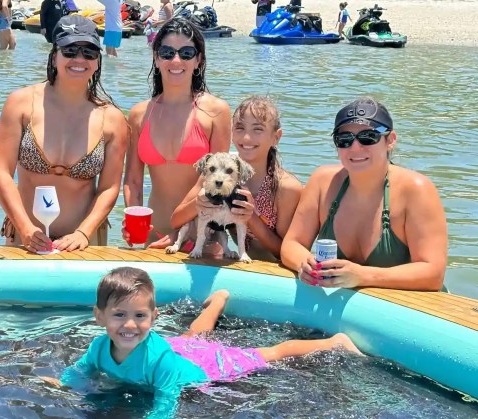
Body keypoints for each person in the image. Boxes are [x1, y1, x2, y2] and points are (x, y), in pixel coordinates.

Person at [45, 267, 362, 419]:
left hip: (204, 370)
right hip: (181, 349)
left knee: (270, 353)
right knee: (193, 336)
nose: (130, 325)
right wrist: (63, 382)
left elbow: (167, 397)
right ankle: (216, 303)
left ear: (154, 318)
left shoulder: (160, 361)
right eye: (119, 316)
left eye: (140, 316)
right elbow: (81, 369)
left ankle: (332, 341)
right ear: (99, 316)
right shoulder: (98, 346)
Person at [0, 15, 128, 253]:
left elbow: (109, 187)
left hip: (85, 241)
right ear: (54, 56)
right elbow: (1, 173)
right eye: (70, 50)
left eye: (89, 52)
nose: (79, 59)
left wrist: (83, 233)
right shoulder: (21, 104)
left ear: (97, 61)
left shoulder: (112, 118)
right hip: (26, 238)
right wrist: (24, 228)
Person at [280, 97, 448, 291]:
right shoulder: (322, 181)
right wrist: (305, 263)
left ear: (390, 140)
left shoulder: (416, 190)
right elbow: (292, 244)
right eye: (344, 140)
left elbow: (433, 274)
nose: (355, 148)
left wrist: (362, 276)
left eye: (368, 137)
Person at [123, 17, 232, 249]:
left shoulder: (216, 111)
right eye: (167, 52)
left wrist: (183, 230)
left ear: (198, 60)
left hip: (202, 235)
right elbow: (133, 180)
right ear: (156, 56)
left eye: (186, 53)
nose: (175, 60)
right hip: (154, 234)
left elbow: (214, 182)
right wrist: (133, 220)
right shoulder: (139, 114)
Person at [171, 95, 302, 260]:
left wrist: (250, 217)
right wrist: (198, 204)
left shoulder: (286, 187)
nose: (247, 137)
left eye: (258, 129)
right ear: (232, 132)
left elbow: (287, 252)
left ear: (276, 137)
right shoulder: (219, 171)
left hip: (273, 270)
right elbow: (175, 220)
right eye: (240, 128)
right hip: (237, 266)